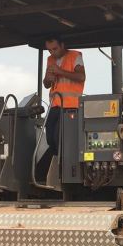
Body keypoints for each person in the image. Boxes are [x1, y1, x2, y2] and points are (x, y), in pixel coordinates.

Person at [36, 36, 86, 179]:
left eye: (55, 49)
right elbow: (46, 84)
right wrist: (47, 79)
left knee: (60, 137)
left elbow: (81, 76)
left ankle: (63, 171)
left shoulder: (75, 56)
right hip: (55, 105)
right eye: (49, 50)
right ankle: (52, 169)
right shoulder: (50, 60)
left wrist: (60, 71)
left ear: (62, 45)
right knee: (50, 138)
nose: (52, 52)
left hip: (70, 106)